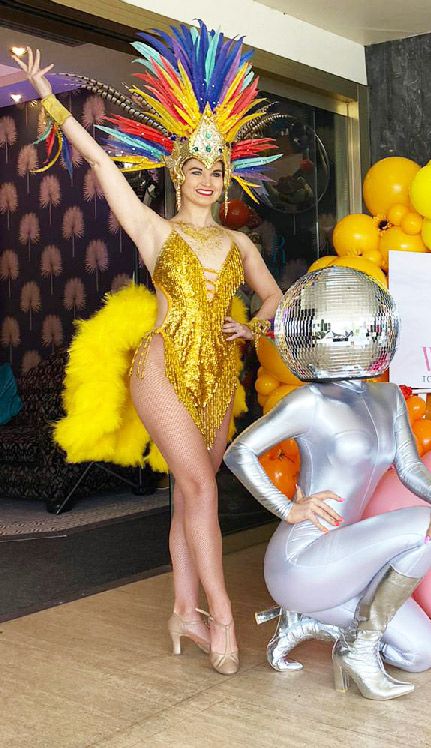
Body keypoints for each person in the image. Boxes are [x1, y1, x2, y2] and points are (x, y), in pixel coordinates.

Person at [14, 22, 284, 675]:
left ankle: (181, 612)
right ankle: (220, 616)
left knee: (191, 495)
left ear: (226, 178)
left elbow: (276, 298)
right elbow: (103, 163)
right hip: (161, 366)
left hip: (220, 375)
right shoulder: (154, 232)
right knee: (198, 484)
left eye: (215, 171)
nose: (206, 180)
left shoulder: (241, 245)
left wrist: (254, 327)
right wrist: (45, 96)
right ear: (177, 171)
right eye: (195, 168)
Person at [224, 266, 431, 701]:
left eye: (358, 328)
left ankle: (308, 621)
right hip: (302, 560)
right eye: (335, 330)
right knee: (426, 525)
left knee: (422, 653)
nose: (348, 338)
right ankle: (358, 646)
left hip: (349, 562)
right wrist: (289, 509)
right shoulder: (309, 400)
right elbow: (238, 452)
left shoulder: (388, 398)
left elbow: (408, 467)